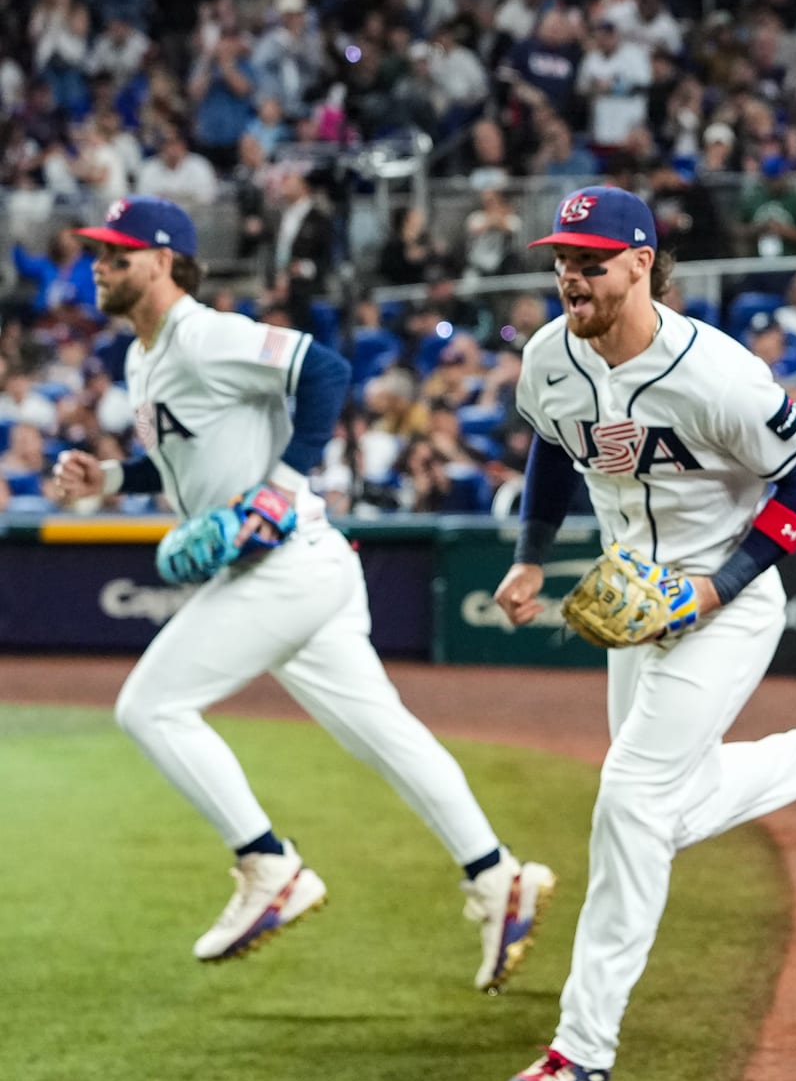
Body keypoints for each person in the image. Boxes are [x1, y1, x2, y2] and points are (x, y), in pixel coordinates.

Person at [46, 195, 555, 987]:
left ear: (162, 259)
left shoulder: (204, 332)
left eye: (115, 253)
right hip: (302, 564)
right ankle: (498, 877)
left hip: (281, 562)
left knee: (150, 707)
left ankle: (268, 865)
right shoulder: (143, 357)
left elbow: (325, 369)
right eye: (98, 252)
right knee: (385, 733)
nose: (98, 265)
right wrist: (111, 476)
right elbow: (181, 455)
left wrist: (282, 483)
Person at [495, 186, 796, 1081]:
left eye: (591, 261)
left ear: (642, 263)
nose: (572, 275)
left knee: (630, 799)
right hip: (630, 600)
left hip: (725, 603)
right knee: (661, 811)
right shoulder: (549, 357)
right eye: (563, 259)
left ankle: (580, 1046)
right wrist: (528, 556)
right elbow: (553, 446)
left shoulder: (715, 373)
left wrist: (721, 583)